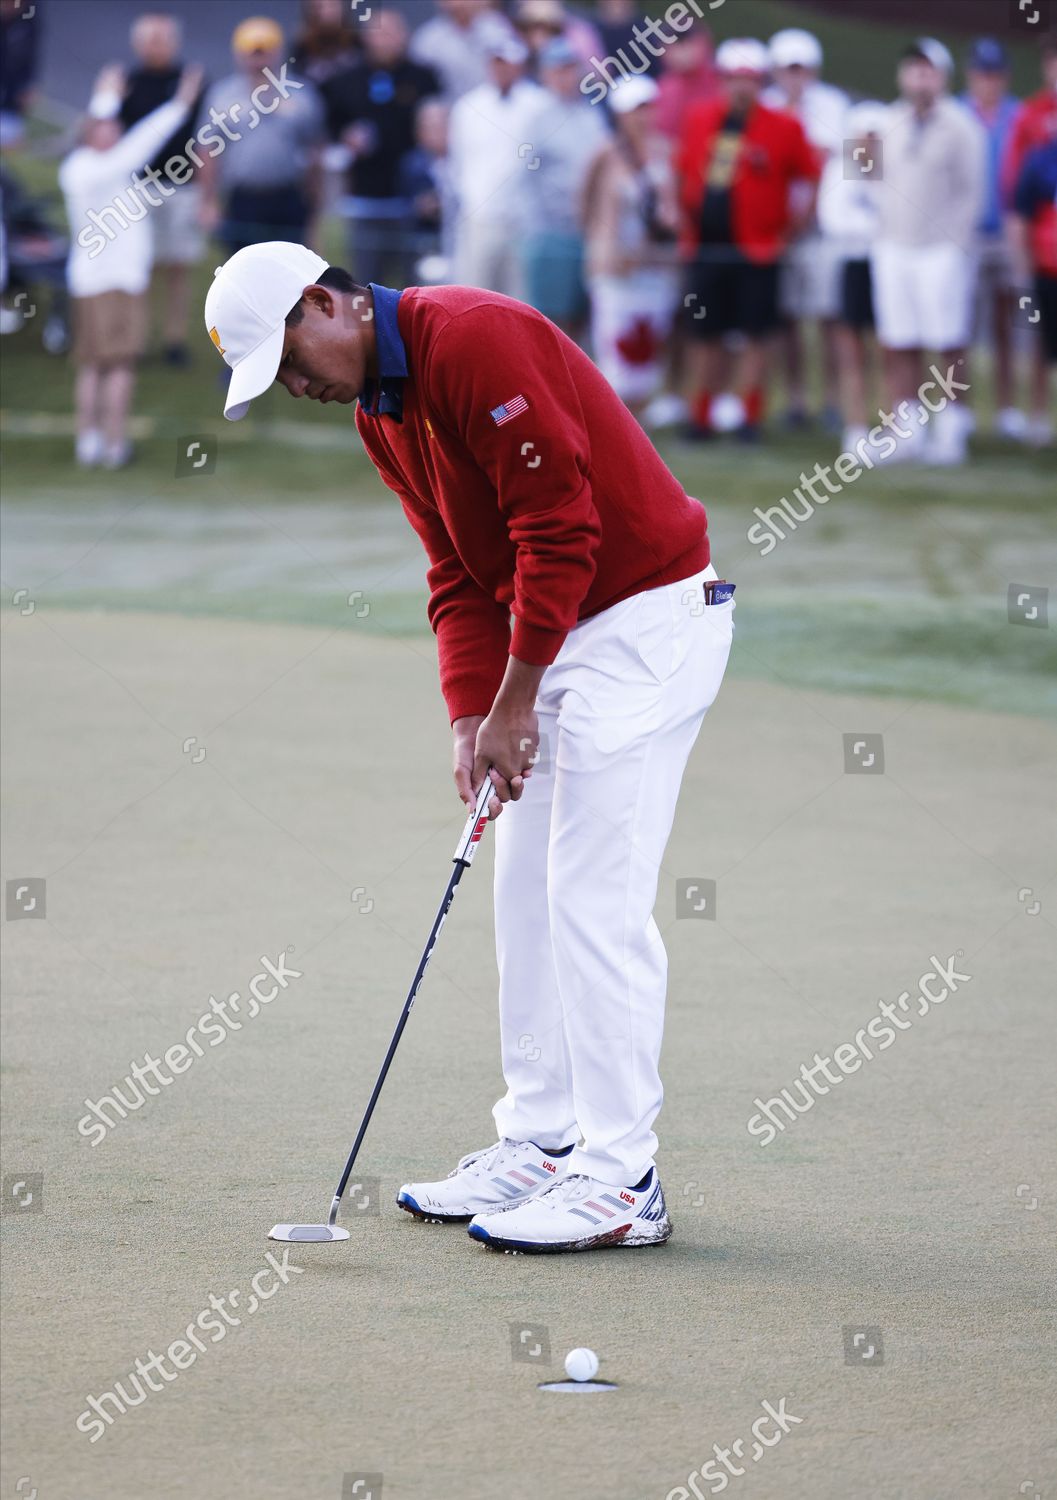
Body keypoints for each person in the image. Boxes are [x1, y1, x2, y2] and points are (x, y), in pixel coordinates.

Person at [203, 239, 734, 1254]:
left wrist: (514, 700)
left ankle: (622, 1179)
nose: (296, 392)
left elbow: (560, 529)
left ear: (329, 304)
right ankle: (541, 1140)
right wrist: (470, 713)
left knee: (592, 898)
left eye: (290, 363)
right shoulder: (382, 413)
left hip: (646, 624)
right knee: (522, 887)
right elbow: (454, 570)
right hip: (565, 632)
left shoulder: (472, 340)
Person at [676, 37, 819, 441]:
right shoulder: (701, 119)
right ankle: (701, 412)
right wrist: (682, 217)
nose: (741, 88)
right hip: (706, 246)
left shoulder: (784, 126)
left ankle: (747, 414)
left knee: (757, 334)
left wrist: (791, 229)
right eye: (733, 79)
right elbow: (681, 170)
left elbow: (809, 178)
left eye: (750, 80)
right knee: (706, 333)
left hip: (758, 249)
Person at [60, 62, 201, 467]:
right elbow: (143, 142)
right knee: (113, 365)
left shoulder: (101, 169)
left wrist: (107, 98)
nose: (113, 130)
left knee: (99, 365)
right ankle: (109, 443)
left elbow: (123, 140)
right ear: (89, 135)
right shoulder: (88, 169)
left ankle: (93, 441)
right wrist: (179, 104)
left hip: (102, 281)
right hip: (111, 282)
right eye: (104, 127)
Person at [871, 39, 987, 465]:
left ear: (943, 77)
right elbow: (865, 179)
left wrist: (954, 243)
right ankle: (907, 430)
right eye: (913, 69)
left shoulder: (961, 126)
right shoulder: (887, 120)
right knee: (900, 340)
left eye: (928, 70)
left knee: (948, 341)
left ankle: (951, 428)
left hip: (941, 250)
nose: (920, 77)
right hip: (894, 246)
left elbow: (972, 193)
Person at [764, 28, 848, 431]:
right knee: (788, 319)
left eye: (801, 69)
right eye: (788, 69)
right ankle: (795, 398)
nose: (795, 78)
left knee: (831, 317)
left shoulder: (831, 105)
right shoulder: (766, 107)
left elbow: (829, 163)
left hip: (824, 229)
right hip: (781, 228)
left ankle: (833, 398)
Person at [322, 9, 440, 288]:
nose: (386, 40)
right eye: (379, 33)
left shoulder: (423, 78)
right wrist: (346, 139)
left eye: (392, 32)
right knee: (366, 284)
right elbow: (330, 129)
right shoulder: (346, 81)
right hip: (365, 199)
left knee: (416, 284)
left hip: (411, 200)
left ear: (404, 36)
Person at [582, 74, 678, 415]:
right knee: (616, 349)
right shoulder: (605, 154)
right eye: (637, 109)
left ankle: (638, 422)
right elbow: (585, 203)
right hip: (616, 268)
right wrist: (602, 244)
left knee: (647, 349)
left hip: (655, 267)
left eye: (648, 108)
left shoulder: (664, 151)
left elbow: (675, 206)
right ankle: (613, 421)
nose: (644, 117)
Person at [119, 13, 207, 366]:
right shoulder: (129, 82)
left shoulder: (192, 81)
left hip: (182, 185)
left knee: (177, 266)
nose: (156, 46)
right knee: (141, 267)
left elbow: (205, 136)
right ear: (138, 44)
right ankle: (137, 339)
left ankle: (174, 339)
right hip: (140, 186)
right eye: (150, 40)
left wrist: (206, 191)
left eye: (162, 39)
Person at [198, 17, 325, 256]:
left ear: (277, 52)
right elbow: (207, 151)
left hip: (289, 195)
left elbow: (315, 151)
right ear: (239, 54)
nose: (258, 61)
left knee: (292, 269)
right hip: (243, 198)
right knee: (244, 267)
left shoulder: (301, 94)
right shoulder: (223, 96)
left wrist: (314, 210)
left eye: (264, 52)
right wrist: (208, 200)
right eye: (253, 53)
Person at [522, 36, 610, 338]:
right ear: (545, 73)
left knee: (580, 316)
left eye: (570, 69)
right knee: (551, 318)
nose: (565, 76)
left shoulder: (590, 114)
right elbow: (528, 176)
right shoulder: (535, 116)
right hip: (549, 232)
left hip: (586, 232)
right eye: (558, 69)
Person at [961, 38, 1024, 439]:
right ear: (971, 75)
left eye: (995, 74)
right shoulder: (955, 114)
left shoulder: (1019, 116)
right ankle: (959, 411)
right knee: (962, 328)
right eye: (982, 74)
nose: (989, 82)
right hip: (964, 234)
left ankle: (1006, 407)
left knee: (1007, 325)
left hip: (1008, 233)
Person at [447, 34, 542, 296]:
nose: (502, 69)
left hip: (525, 222)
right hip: (480, 219)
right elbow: (458, 163)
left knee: (521, 298)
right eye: (497, 63)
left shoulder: (537, 105)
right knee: (473, 294)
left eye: (508, 63)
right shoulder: (468, 107)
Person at [817, 102, 887, 454]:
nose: (869, 144)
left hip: (889, 266)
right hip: (853, 265)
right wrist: (875, 230)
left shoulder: (892, 170)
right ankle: (856, 426)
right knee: (852, 351)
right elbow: (833, 220)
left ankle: (889, 427)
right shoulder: (840, 170)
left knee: (889, 349)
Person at [1003, 39, 1057, 448]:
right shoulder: (1032, 121)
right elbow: (1018, 194)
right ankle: (1037, 414)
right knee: (1039, 337)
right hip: (1044, 257)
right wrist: (1019, 255)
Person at [1010, 137, 1057, 439]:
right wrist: (1022, 265)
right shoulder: (1041, 158)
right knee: (1040, 344)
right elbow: (1020, 216)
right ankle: (1037, 419)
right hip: (1045, 268)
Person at [408, 0, 514, 103]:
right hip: (448, 109)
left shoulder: (497, 26)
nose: (459, 4)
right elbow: (419, 85)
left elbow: (515, 66)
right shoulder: (428, 39)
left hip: (494, 105)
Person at [397, 97, 454, 276]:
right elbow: (402, 206)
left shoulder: (465, 162)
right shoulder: (411, 164)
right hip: (423, 246)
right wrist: (419, 206)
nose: (436, 133)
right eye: (429, 127)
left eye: (441, 126)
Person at [654, 23, 720, 142]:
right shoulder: (664, 88)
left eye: (686, 43)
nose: (682, 52)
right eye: (676, 45)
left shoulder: (722, 80)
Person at [291, 0, 362, 88]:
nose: (327, 12)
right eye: (319, 7)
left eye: (332, 5)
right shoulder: (302, 48)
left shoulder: (358, 41)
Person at [0, 0, 39, 148]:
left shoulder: (29, 14)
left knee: (12, 141)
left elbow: (31, 48)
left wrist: (29, 83)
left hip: (12, 94)